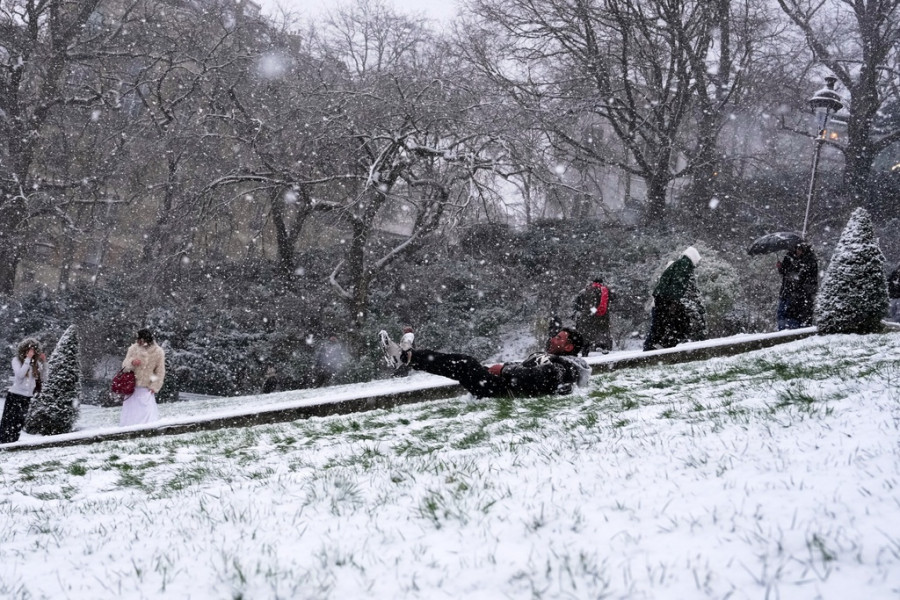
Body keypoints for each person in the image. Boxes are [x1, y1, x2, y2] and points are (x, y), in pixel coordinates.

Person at [378, 327, 591, 398]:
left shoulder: (567, 365)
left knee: (463, 363)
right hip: (502, 383)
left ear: (569, 347)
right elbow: (527, 368)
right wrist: (503, 368)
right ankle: (408, 357)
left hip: (505, 389)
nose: (553, 339)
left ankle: (407, 357)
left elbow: (544, 377)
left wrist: (505, 370)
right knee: (460, 364)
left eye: (559, 338)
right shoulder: (548, 357)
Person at [644, 246, 703, 351]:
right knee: (669, 323)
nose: (697, 263)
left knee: (664, 323)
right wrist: (674, 301)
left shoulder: (681, 264)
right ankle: (655, 347)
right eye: (697, 260)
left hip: (663, 297)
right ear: (694, 257)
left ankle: (658, 345)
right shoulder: (684, 265)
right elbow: (677, 284)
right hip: (666, 298)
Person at [0, 338, 47, 443]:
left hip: (27, 398)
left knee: (19, 423)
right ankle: (3, 443)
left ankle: (13, 443)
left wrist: (43, 362)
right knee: (9, 422)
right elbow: (20, 375)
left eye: (33, 350)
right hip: (15, 396)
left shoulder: (35, 364)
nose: (31, 352)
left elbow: (43, 378)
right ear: (24, 349)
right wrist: (28, 359)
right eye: (29, 349)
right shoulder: (16, 360)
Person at [119, 328, 165, 426]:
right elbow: (124, 366)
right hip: (132, 386)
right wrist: (132, 362)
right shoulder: (133, 349)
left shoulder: (158, 352)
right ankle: (128, 428)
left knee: (147, 413)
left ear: (146, 339)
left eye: (140, 339)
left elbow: (159, 371)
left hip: (146, 388)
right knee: (130, 413)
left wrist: (154, 386)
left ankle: (146, 429)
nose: (138, 342)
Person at [776, 242, 818, 330]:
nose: (798, 251)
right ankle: (782, 331)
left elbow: (806, 277)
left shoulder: (808, 260)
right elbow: (785, 272)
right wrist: (781, 268)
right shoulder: (789, 256)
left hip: (799, 294)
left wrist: (795, 275)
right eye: (797, 249)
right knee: (782, 313)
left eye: (800, 249)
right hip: (787, 291)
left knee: (796, 315)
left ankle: (793, 331)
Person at [572, 276, 612, 356]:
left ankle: (585, 350)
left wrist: (581, 311)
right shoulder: (605, 291)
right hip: (603, 316)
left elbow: (576, 302)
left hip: (587, 315)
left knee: (587, 333)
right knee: (602, 331)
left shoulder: (585, 291)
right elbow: (612, 299)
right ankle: (602, 347)